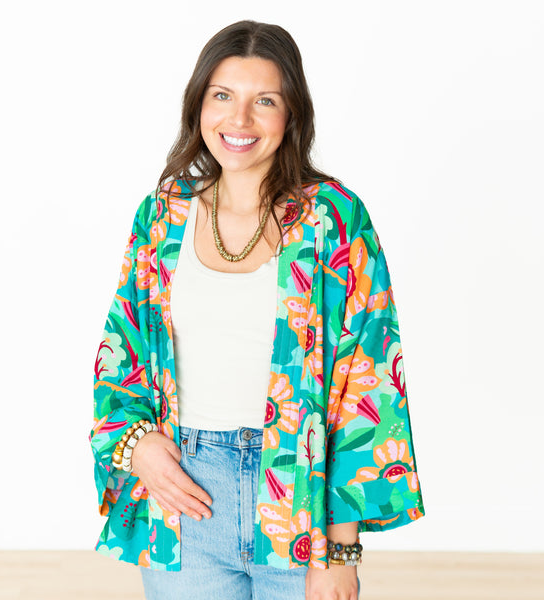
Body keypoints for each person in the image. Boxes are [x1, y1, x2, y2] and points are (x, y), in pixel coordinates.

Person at [90, 20, 425, 600]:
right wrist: (136, 445)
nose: (239, 119)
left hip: (301, 502)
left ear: (291, 114)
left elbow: (368, 382)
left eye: (264, 100)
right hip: (184, 499)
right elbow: (122, 349)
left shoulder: (333, 220)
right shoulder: (163, 215)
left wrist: (341, 550)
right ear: (199, 105)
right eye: (222, 95)